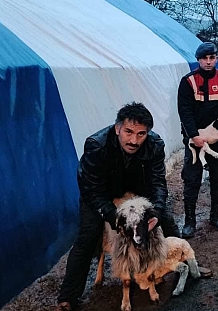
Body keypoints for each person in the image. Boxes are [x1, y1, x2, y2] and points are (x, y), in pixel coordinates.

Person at [56, 102, 181, 311]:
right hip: (100, 194)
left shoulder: (155, 145)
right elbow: (91, 190)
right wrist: (114, 217)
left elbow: (158, 182)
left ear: (148, 133)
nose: (134, 140)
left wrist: (156, 211)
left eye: (141, 134)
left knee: (165, 220)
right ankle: (68, 296)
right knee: (88, 235)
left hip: (136, 190)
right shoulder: (96, 145)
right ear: (117, 128)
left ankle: (182, 266)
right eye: (129, 132)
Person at [178, 42, 218, 238]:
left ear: (217, 58)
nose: (209, 62)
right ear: (199, 60)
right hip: (194, 139)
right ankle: (189, 220)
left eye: (212, 58)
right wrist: (194, 136)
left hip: (217, 137)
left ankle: (215, 215)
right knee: (192, 179)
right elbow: (184, 111)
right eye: (205, 58)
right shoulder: (188, 81)